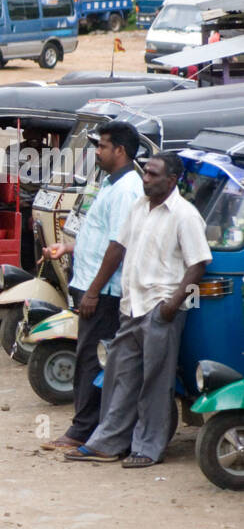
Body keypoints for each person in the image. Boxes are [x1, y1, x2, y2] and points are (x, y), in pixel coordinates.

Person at [65, 152, 211, 467]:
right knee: (120, 377)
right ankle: (109, 442)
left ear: (171, 181)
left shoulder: (184, 215)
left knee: (156, 383)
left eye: (153, 175)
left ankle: (148, 448)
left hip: (160, 308)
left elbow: (198, 264)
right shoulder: (139, 207)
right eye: (145, 173)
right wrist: (95, 290)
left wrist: (171, 305)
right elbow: (118, 246)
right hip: (131, 306)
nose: (146, 179)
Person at [40, 121, 144, 451]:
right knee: (89, 356)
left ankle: (82, 431)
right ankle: (86, 426)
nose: (97, 152)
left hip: (103, 292)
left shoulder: (128, 189)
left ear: (120, 151)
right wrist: (69, 248)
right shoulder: (111, 184)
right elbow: (100, 237)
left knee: (92, 360)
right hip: (88, 285)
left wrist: (95, 290)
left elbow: (118, 245)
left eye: (102, 146)